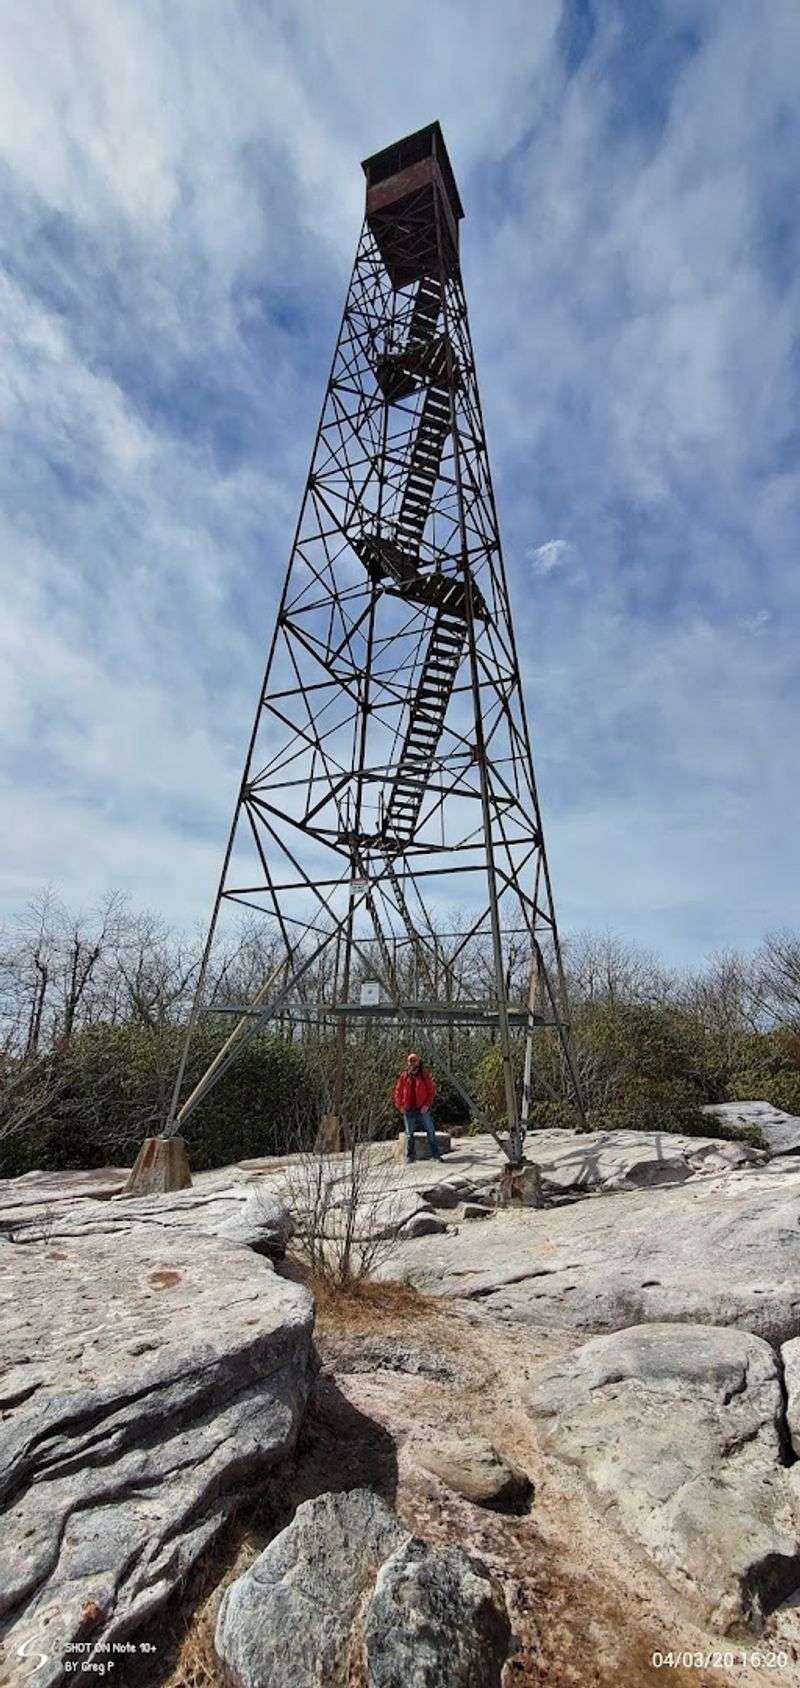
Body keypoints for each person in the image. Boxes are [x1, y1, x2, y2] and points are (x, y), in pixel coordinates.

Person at [394, 1051, 441, 1163]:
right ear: (407, 1062)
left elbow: (431, 1091)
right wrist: (400, 1105)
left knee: (430, 1130)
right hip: (408, 1109)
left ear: (418, 1062)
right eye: (410, 1061)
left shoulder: (424, 1075)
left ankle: (435, 1155)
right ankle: (410, 1156)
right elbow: (398, 1091)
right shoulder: (404, 1076)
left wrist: (427, 1105)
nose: (412, 1063)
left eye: (414, 1060)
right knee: (409, 1134)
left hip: (422, 1108)